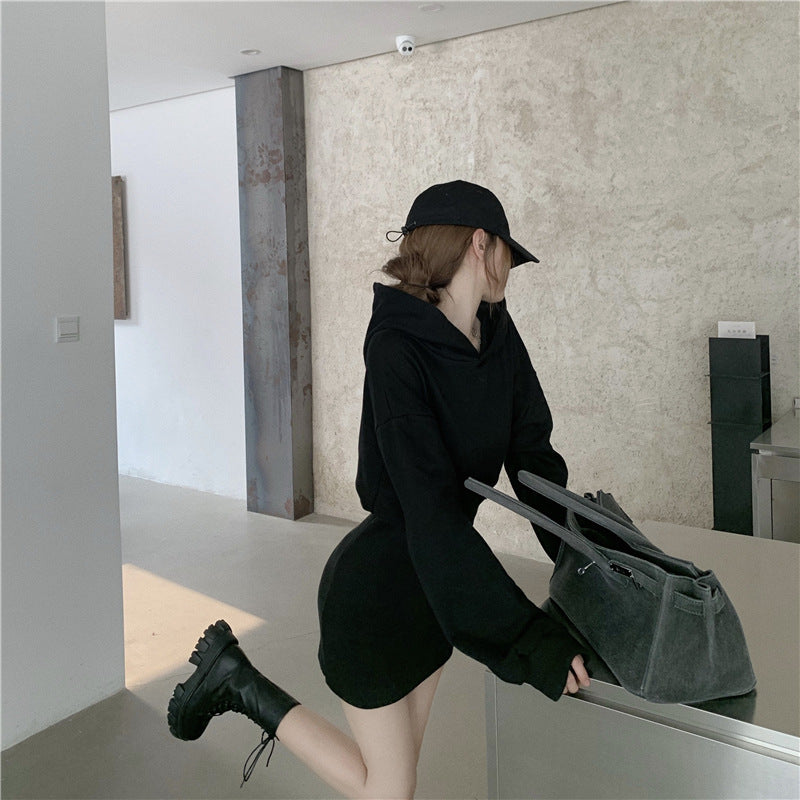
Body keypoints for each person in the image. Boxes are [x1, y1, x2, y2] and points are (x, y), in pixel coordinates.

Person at [167, 180, 591, 799]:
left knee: (389, 784)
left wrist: (593, 564)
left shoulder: (497, 333)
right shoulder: (396, 347)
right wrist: (531, 640)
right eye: (507, 251)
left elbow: (534, 462)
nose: (510, 268)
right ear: (480, 243)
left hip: (437, 592)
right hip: (378, 596)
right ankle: (239, 684)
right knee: (390, 791)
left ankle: (233, 675)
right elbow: (427, 509)